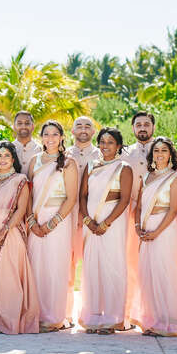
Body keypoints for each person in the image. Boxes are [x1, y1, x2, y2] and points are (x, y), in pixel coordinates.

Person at [78, 128, 132, 334]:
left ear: (118, 145)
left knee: (112, 268)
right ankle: (93, 317)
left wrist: (106, 223)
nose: (105, 146)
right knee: (92, 268)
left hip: (113, 224)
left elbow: (125, 199)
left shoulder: (123, 168)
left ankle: (112, 319)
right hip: (90, 223)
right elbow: (83, 195)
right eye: (102, 142)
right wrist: (87, 220)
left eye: (110, 142)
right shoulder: (91, 165)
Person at [26, 120, 78, 332]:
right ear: (41, 137)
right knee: (36, 267)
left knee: (56, 267)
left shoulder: (68, 162)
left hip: (59, 221)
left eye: (54, 134)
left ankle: (54, 317)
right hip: (36, 220)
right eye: (46, 134)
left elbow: (71, 197)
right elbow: (27, 193)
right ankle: (35, 315)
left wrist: (52, 223)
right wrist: (32, 221)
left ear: (62, 137)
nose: (50, 138)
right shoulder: (34, 161)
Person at [0, 141, 39, 334]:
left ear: (13, 159)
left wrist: (3, 231)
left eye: (7, 155)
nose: (3, 159)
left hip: (10, 235)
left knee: (9, 278)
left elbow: (20, 210)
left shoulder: (20, 180)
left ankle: (10, 322)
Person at [133, 137, 177, 337]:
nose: (160, 154)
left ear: (171, 154)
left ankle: (169, 323)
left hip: (164, 231)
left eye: (164, 150)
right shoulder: (146, 176)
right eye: (156, 151)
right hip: (146, 231)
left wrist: (156, 232)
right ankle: (152, 321)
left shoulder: (175, 179)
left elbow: (173, 211)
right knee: (148, 274)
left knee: (165, 274)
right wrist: (138, 227)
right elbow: (138, 206)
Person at [65, 116, 100, 323]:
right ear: (72, 131)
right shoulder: (63, 155)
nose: (83, 129)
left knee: (93, 265)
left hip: (93, 216)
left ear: (94, 131)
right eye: (79, 125)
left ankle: (92, 313)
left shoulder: (102, 153)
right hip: (66, 217)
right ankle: (65, 313)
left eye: (88, 126)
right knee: (66, 265)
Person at [123, 111, 156, 329]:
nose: (142, 128)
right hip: (129, 214)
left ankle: (153, 315)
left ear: (153, 126)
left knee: (153, 265)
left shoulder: (163, 149)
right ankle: (129, 315)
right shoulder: (125, 153)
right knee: (130, 265)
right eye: (138, 125)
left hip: (156, 214)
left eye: (146, 124)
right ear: (133, 128)